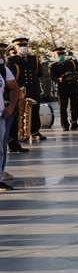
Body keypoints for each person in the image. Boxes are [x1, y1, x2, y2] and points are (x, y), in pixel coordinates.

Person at [7, 38, 45, 150]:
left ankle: (35, 131)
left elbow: (38, 73)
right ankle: (19, 133)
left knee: (35, 110)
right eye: (20, 46)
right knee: (19, 112)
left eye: (25, 45)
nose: (24, 48)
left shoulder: (34, 59)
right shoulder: (12, 60)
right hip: (21, 89)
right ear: (15, 48)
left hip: (34, 88)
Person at [49, 47, 78, 131]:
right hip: (62, 88)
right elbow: (53, 77)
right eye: (59, 54)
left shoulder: (72, 62)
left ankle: (74, 123)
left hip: (74, 87)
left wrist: (75, 75)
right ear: (55, 55)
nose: (61, 56)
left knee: (74, 106)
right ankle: (65, 125)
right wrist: (63, 79)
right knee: (63, 108)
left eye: (62, 54)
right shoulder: (53, 66)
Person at [0, 45, 20, 189]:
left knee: (0, 148)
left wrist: (11, 107)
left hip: (0, 115)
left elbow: (15, 88)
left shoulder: (3, 70)